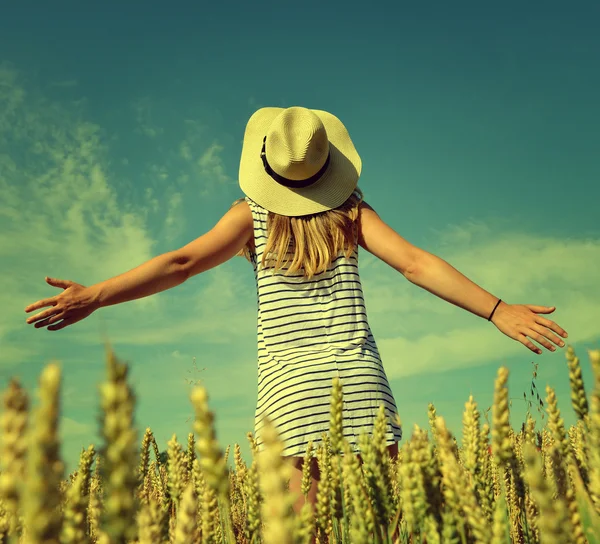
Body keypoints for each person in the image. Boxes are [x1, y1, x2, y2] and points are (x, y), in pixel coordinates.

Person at [24, 106, 568, 523]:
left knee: (302, 531)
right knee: (382, 524)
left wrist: (95, 296)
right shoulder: (351, 210)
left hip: (290, 394)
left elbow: (181, 263)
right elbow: (416, 264)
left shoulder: (250, 216)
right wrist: (497, 309)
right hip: (360, 386)